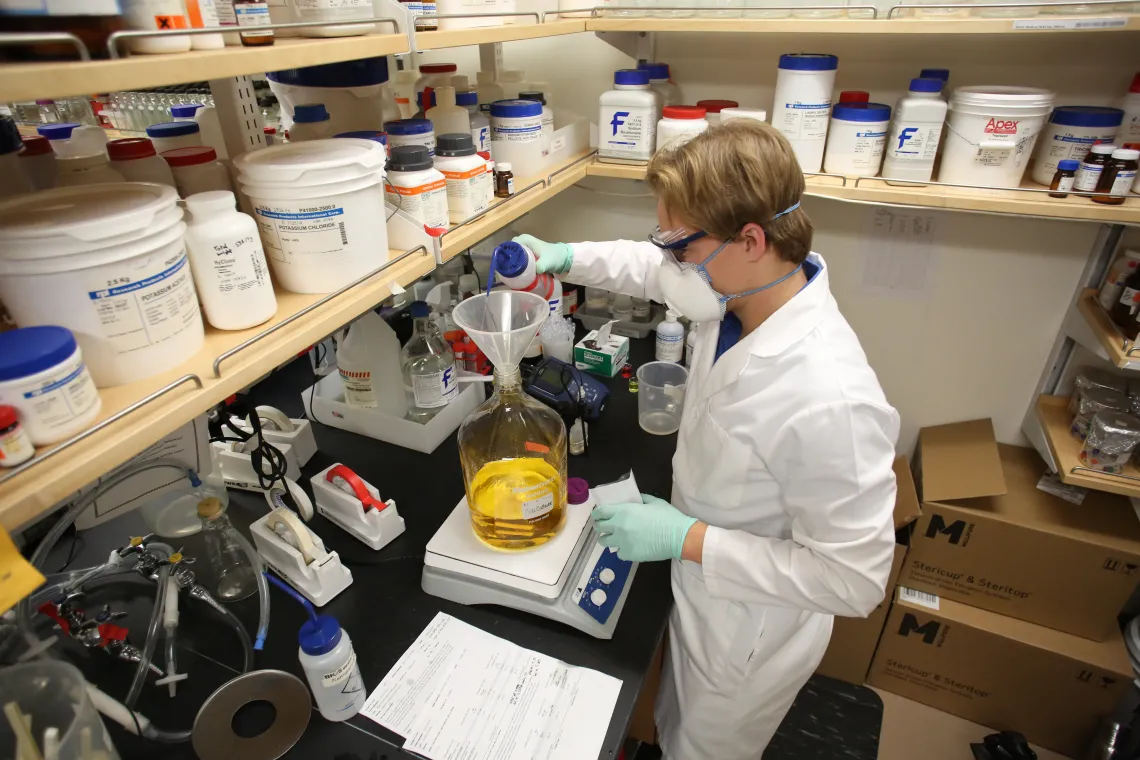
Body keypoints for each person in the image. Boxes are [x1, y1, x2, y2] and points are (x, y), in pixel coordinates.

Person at [513, 120, 900, 760]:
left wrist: (685, 539)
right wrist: (561, 256)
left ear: (750, 238)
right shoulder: (740, 289)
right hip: (699, 578)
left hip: (747, 627)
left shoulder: (830, 398)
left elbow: (854, 580)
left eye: (681, 248)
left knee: (703, 745)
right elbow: (649, 267)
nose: (669, 264)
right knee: (670, 722)